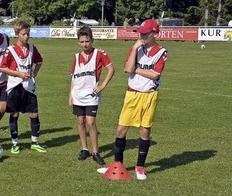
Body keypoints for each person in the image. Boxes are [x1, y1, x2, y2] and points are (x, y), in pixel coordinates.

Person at [97, 19, 167, 181]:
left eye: (145, 33)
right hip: (132, 93)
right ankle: (117, 164)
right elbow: (127, 69)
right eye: (140, 33)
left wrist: (136, 69)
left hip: (149, 95)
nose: (141, 36)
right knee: (121, 129)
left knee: (145, 130)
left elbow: (155, 75)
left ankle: (140, 167)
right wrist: (135, 49)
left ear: (154, 34)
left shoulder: (161, 52)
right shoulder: (135, 49)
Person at [68, 26, 114, 165]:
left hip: (91, 96)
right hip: (78, 95)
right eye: (81, 42)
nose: (85, 44)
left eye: (87, 41)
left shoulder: (99, 54)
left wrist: (103, 85)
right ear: (78, 42)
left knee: (91, 122)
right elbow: (74, 78)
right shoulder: (76, 57)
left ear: (92, 40)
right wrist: (70, 95)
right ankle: (84, 149)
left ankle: (95, 152)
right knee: (80, 121)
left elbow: (111, 69)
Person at [0, 19, 46, 154]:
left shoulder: (32, 48)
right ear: (17, 34)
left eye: (28, 34)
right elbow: (3, 68)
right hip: (15, 86)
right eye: (24, 34)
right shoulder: (10, 50)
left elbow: (39, 61)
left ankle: (35, 142)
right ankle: (15, 143)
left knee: (34, 113)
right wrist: (18, 73)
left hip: (29, 86)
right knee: (15, 113)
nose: (26, 36)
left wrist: (34, 73)